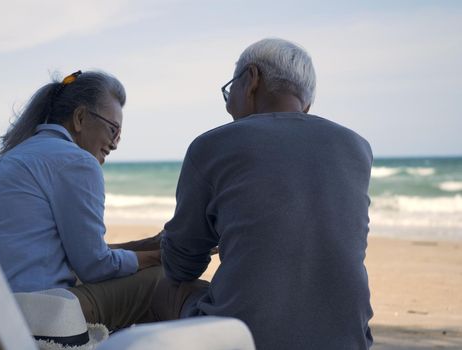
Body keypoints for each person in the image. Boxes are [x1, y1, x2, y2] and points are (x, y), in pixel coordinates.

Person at [153, 38, 373, 349]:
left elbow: (181, 265)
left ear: (251, 79)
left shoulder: (212, 145)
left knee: (166, 289)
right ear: (305, 105)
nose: (229, 106)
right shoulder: (357, 147)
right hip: (350, 340)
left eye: (230, 90)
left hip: (244, 340)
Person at [0, 70, 162, 331]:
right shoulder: (76, 161)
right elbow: (95, 266)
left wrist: (148, 245)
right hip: (36, 316)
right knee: (162, 281)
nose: (115, 143)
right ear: (80, 118)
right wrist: (159, 257)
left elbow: (79, 251)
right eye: (113, 129)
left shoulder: (11, 160)